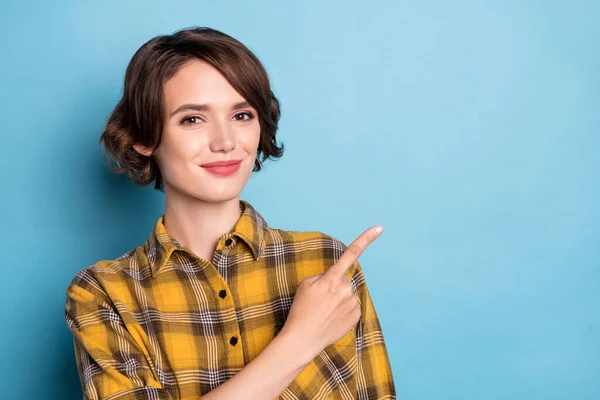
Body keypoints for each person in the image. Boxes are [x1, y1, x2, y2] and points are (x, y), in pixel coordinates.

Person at [64, 26, 396, 400]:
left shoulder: (326, 265)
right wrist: (301, 340)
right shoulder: (105, 293)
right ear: (143, 137)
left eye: (241, 115)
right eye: (192, 119)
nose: (225, 142)